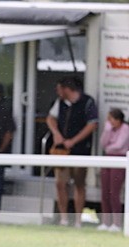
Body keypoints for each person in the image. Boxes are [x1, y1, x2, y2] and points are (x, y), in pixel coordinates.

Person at [45, 76, 98, 227]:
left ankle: (78, 220)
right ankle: (64, 218)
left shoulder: (87, 102)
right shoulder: (60, 103)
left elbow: (92, 124)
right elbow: (50, 118)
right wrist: (56, 133)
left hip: (81, 150)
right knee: (60, 183)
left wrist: (73, 141)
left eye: (59, 89)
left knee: (79, 184)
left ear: (66, 89)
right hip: (62, 151)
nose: (57, 92)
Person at [97, 108, 129, 232]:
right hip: (108, 159)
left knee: (114, 192)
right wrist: (106, 130)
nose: (109, 121)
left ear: (118, 119)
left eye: (110, 119)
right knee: (105, 191)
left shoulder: (125, 129)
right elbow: (103, 143)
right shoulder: (109, 129)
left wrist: (108, 148)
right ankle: (105, 222)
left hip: (119, 159)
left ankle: (117, 223)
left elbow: (119, 145)